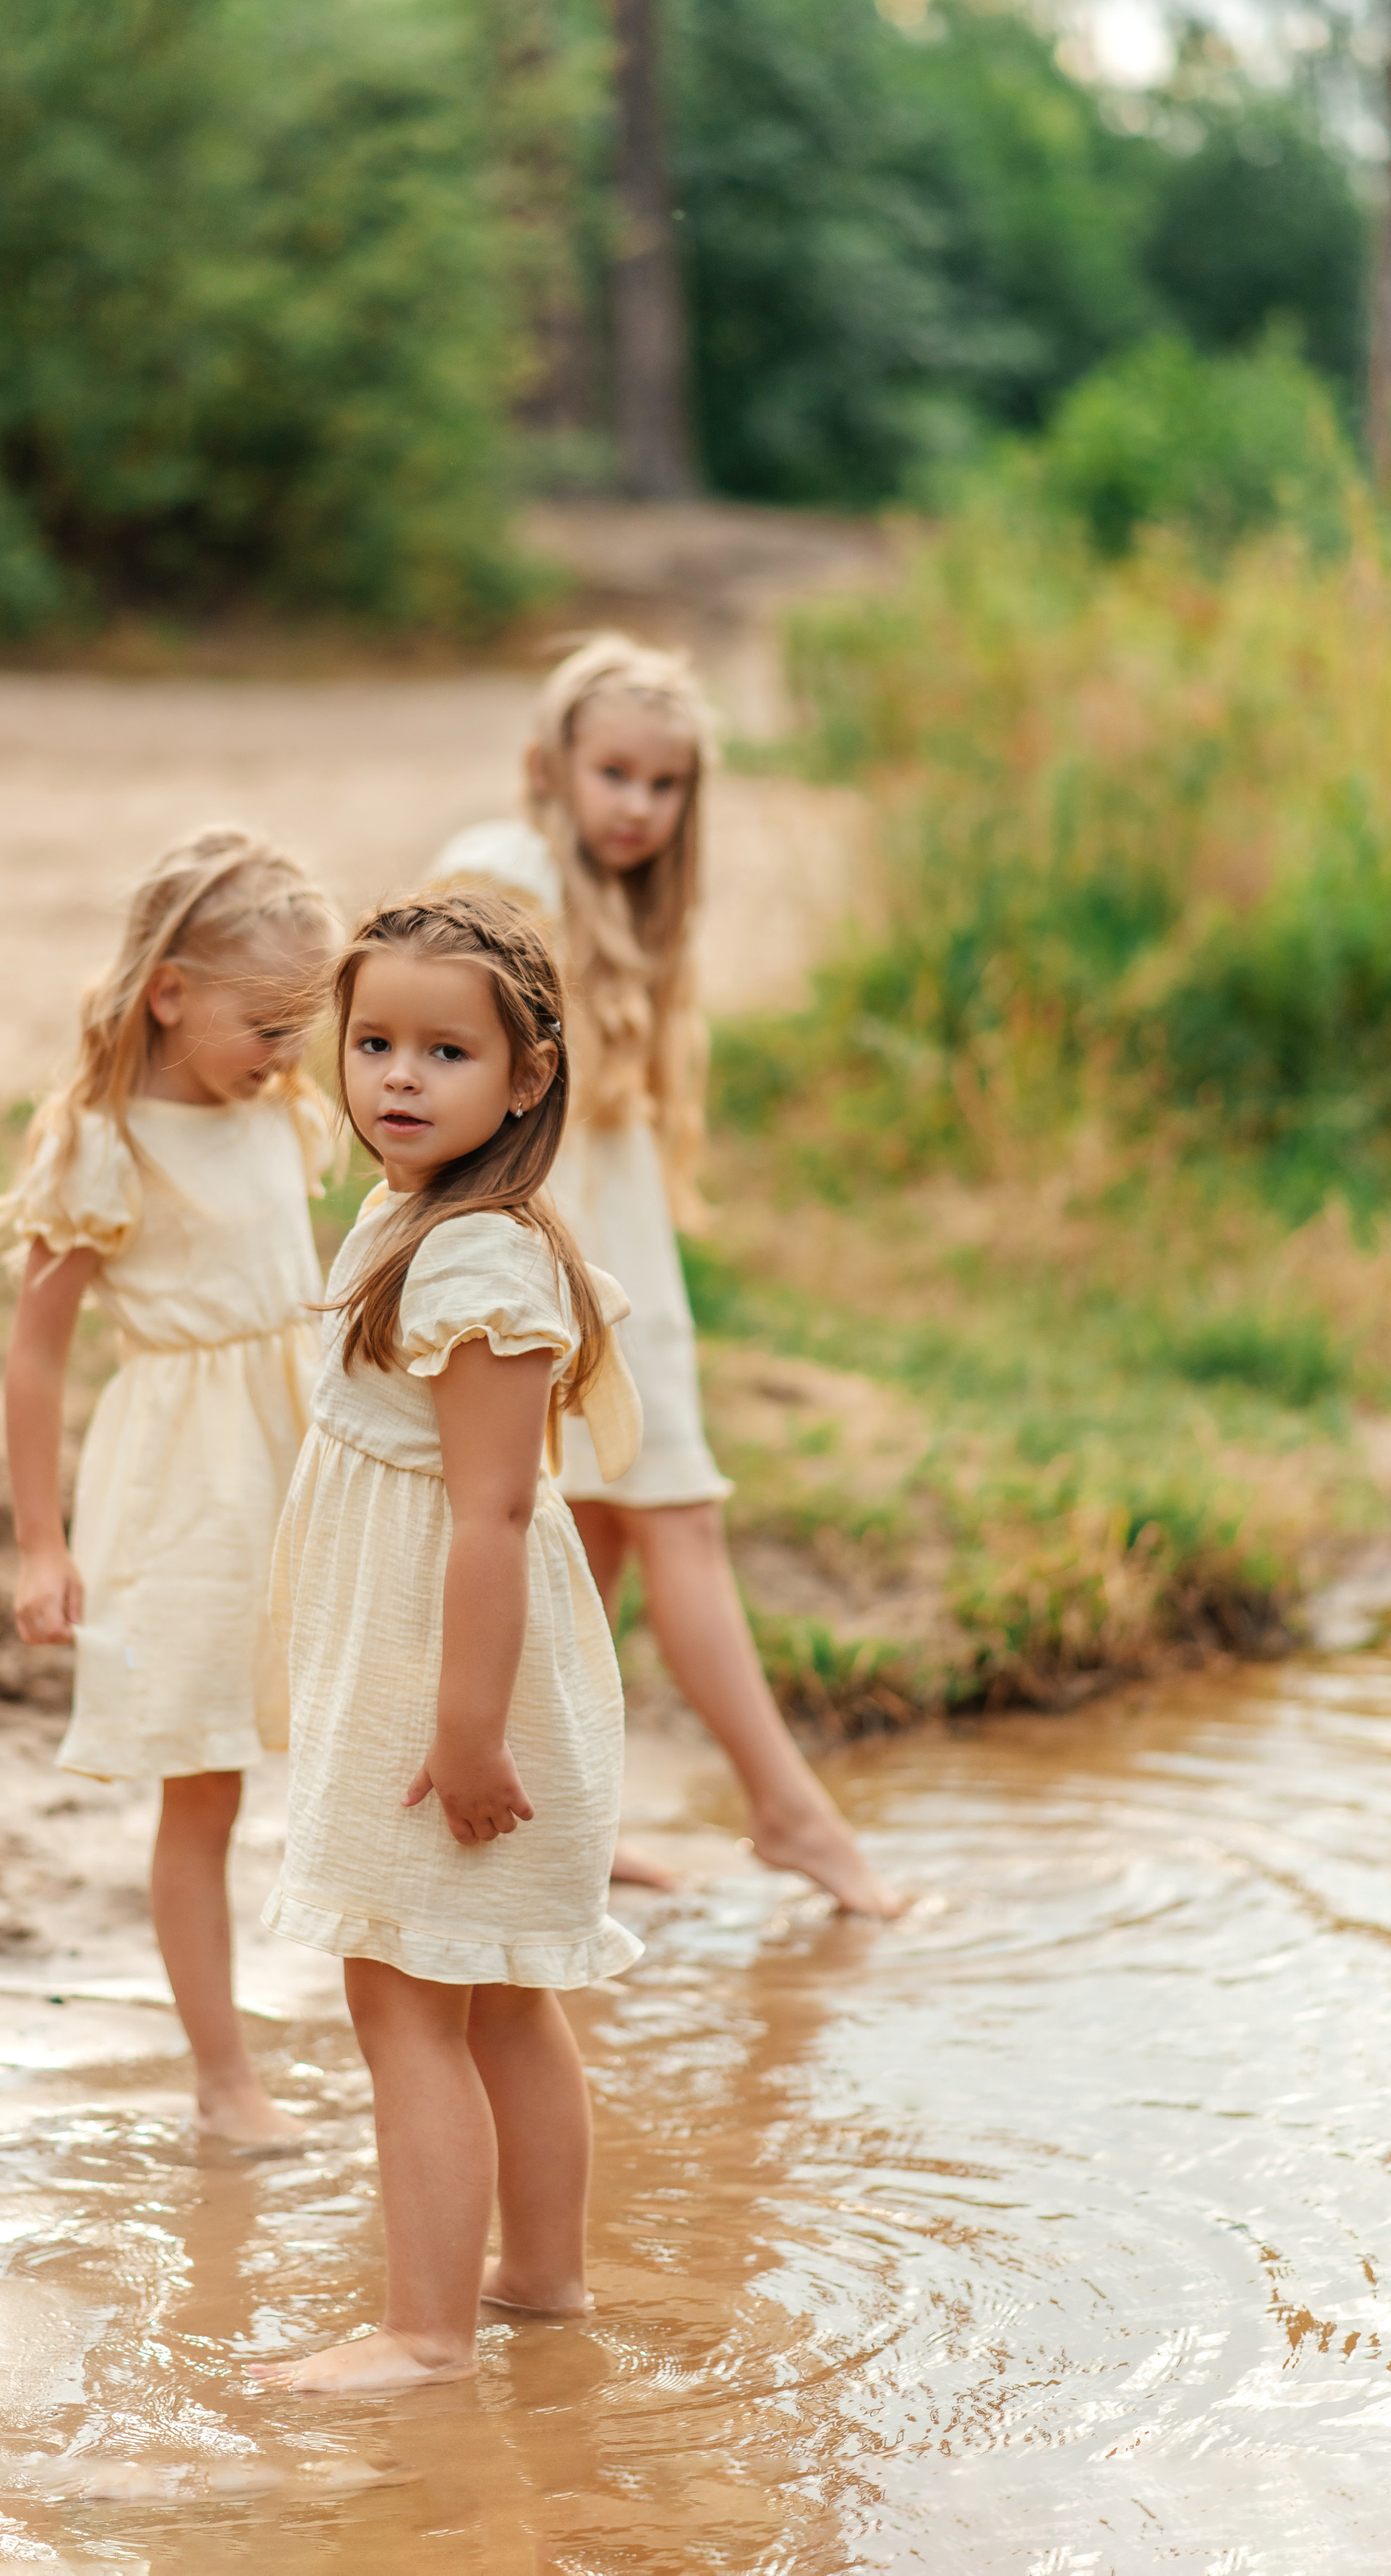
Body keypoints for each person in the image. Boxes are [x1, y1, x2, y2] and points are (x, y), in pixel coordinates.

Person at [432, 634, 901, 1919]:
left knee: (596, 1539)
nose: (638, 807)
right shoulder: (509, 871)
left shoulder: (636, 905)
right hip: (558, 1258)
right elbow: (445, 1047)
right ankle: (792, 1812)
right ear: (552, 766)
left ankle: (567, 1820)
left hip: (623, 1250)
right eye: (616, 774)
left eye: (665, 783)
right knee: (674, 1512)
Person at [255, 889, 643, 2394]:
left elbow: (491, 1515)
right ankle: (537, 2281)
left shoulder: (478, 1264)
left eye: (443, 1053)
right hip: (435, 1661)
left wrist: (465, 1734)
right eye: (372, 1044)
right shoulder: (411, 1213)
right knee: (486, 1989)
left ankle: (425, 2336)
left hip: (453, 1676)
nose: (398, 1081)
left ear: (525, 1080)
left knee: (405, 1991)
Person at [0, 823, 336, 2145]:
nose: (291, 1053)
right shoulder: (106, 1146)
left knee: (355, 1734)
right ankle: (223, 2075)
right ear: (171, 992)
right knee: (206, 1779)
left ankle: (409, 2019)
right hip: (187, 1494)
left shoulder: (282, 1114)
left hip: (306, 1465)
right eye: (267, 1022)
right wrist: (39, 1547)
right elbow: (33, 1360)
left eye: (306, 1026)